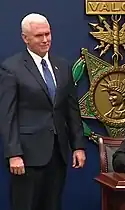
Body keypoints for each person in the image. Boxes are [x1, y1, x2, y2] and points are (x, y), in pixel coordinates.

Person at [0, 13, 86, 210]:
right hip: (27, 156)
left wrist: (78, 146)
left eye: (48, 34)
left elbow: (71, 109)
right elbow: (7, 115)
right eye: (39, 35)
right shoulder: (11, 69)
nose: (45, 39)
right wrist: (14, 153)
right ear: (25, 38)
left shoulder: (63, 66)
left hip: (57, 154)